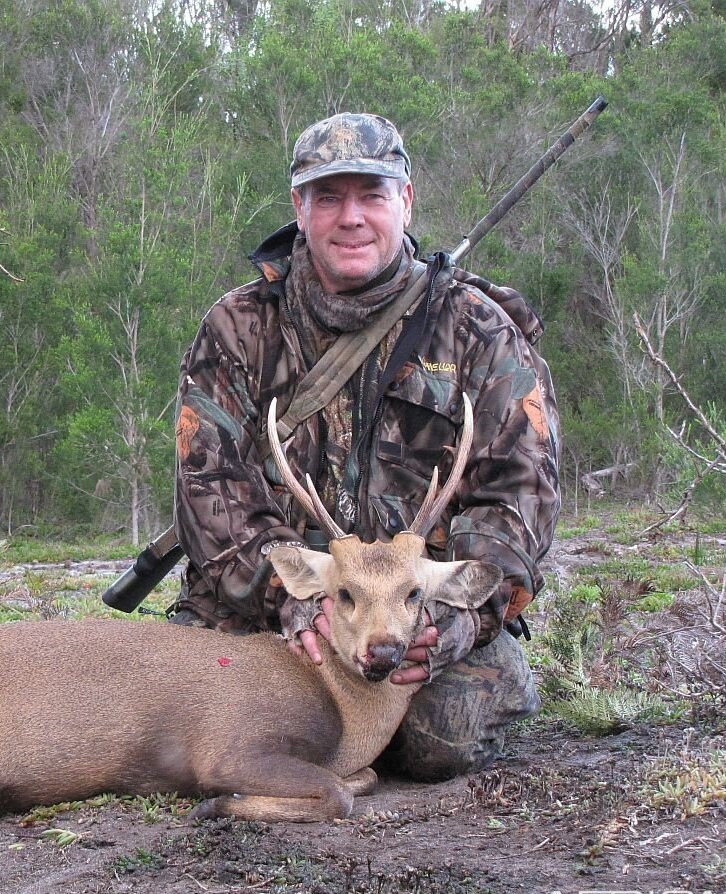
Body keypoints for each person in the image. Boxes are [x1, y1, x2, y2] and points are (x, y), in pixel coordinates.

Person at [170, 112, 560, 782]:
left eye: (371, 195)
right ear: (300, 208)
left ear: (405, 200)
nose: (351, 217)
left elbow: (518, 500)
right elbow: (209, 491)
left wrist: (449, 619)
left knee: (439, 741)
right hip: (275, 613)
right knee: (176, 726)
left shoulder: (479, 329)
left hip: (416, 616)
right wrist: (292, 601)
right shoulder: (237, 328)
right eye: (329, 197)